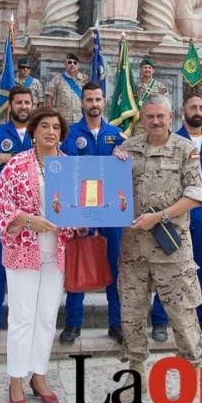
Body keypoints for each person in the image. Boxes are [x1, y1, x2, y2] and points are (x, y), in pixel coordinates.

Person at [114, 95, 202, 403]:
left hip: (173, 252)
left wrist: (160, 216)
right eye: (149, 116)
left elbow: (195, 195)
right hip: (133, 252)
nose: (155, 121)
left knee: (182, 317)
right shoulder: (128, 149)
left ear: (171, 117)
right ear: (142, 118)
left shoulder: (185, 150)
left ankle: (192, 380)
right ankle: (135, 375)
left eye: (161, 116)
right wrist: (112, 165)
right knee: (132, 317)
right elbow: (109, 190)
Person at [0, 107, 76, 403]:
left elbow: (81, 204)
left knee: (46, 317)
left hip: (57, 251)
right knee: (22, 316)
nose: (50, 132)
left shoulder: (68, 166)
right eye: (44, 126)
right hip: (23, 250)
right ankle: (16, 377)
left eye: (56, 127)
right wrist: (29, 220)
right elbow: (3, 205)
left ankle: (38, 375)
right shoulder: (16, 165)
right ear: (34, 131)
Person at [151, 94, 202, 341]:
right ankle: (159, 320)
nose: (198, 111)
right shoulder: (171, 141)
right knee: (167, 267)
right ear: (183, 111)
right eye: (194, 107)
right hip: (173, 215)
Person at [58, 81, 126, 345]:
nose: (94, 105)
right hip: (82, 211)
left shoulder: (116, 135)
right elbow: (70, 167)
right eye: (89, 100)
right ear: (82, 103)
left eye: (98, 100)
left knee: (115, 264)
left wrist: (124, 152)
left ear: (104, 102)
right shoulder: (72, 134)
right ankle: (73, 324)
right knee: (79, 263)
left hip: (111, 211)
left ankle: (116, 323)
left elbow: (126, 166)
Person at [0, 85, 34, 346]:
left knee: (31, 272)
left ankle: (27, 323)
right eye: (19, 102)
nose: (23, 107)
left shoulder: (41, 133)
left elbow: (52, 162)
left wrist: (11, 157)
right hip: (6, 215)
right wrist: (27, 159)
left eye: (27, 102)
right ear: (10, 105)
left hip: (35, 216)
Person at [45, 53, 87, 127]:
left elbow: (88, 97)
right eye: (69, 62)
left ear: (78, 65)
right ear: (65, 64)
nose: (72, 64)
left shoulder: (84, 80)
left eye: (75, 63)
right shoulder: (57, 79)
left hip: (79, 119)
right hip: (62, 120)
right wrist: (51, 116)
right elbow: (49, 97)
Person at [131, 58, 168, 136]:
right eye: (145, 68)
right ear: (141, 70)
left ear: (153, 70)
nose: (147, 70)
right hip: (140, 124)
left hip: (156, 122)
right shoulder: (135, 87)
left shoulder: (160, 87)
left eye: (149, 68)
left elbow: (166, 106)